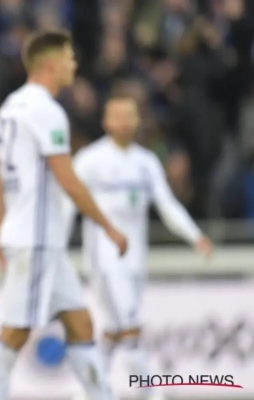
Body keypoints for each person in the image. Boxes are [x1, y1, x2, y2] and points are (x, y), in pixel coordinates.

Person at [0, 30, 127, 400]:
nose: (74, 65)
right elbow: (68, 180)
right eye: (69, 58)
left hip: (34, 238)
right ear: (50, 65)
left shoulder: (10, 107)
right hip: (37, 239)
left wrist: (0, 233)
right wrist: (109, 227)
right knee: (14, 332)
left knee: (80, 323)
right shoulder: (46, 111)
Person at [64, 95, 214, 400]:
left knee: (113, 329)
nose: (123, 122)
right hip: (104, 260)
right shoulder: (90, 161)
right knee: (129, 327)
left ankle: (87, 391)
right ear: (106, 121)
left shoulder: (146, 163)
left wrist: (194, 235)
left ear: (137, 121)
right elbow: (66, 205)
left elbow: (167, 204)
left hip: (135, 261)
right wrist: (57, 246)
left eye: (129, 116)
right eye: (117, 116)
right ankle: (151, 393)